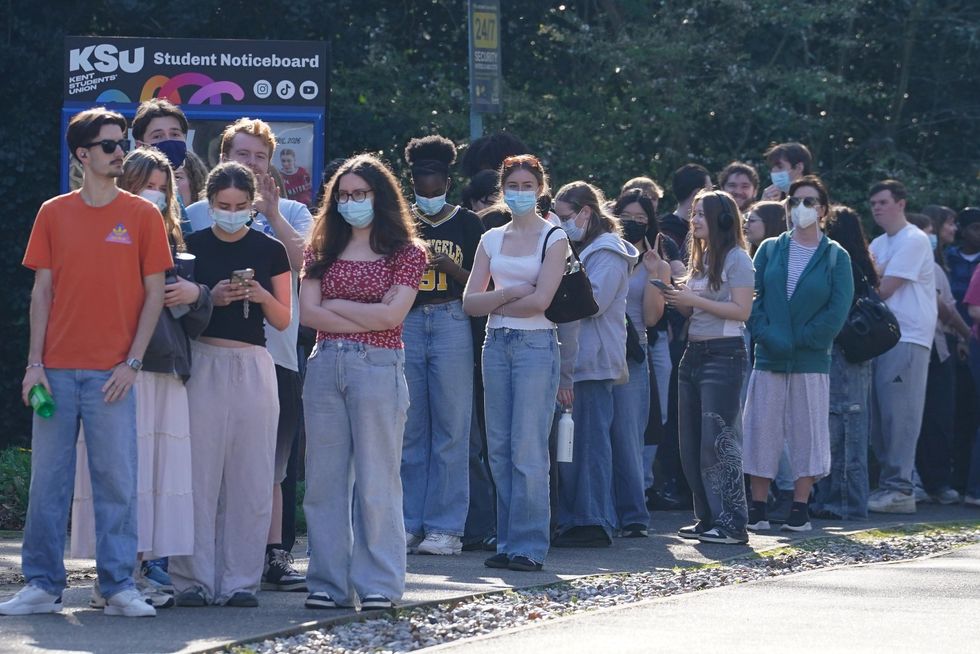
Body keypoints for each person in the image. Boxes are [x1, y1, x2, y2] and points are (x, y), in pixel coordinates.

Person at [2, 108, 172, 618]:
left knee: (117, 483)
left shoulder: (143, 215)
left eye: (121, 142)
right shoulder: (52, 213)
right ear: (82, 154)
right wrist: (34, 365)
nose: (120, 151)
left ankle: (119, 587)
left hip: (113, 376)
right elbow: (42, 291)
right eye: (108, 145)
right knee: (47, 484)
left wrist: (133, 363)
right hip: (54, 374)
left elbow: (156, 295)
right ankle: (42, 585)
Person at [69, 147, 213, 608]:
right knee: (119, 471)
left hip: (165, 366)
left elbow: (189, 320)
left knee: (155, 473)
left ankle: (137, 574)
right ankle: (113, 578)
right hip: (118, 367)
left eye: (162, 186)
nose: (155, 194)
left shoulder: (171, 237)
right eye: (145, 185)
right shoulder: (97, 230)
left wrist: (195, 294)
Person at [186, 118, 312, 590]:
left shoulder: (295, 213)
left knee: (267, 468)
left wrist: (273, 214)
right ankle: (196, 570)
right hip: (205, 354)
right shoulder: (196, 216)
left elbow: (306, 266)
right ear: (223, 158)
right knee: (202, 469)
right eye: (243, 154)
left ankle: (270, 556)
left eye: (260, 156)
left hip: (272, 355)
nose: (252, 164)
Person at [299, 154, 426, 609]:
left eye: (361, 194)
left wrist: (335, 305)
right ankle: (327, 584)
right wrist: (364, 312)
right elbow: (309, 314)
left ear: (381, 197)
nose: (351, 202)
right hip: (324, 365)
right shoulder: (320, 249)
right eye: (344, 195)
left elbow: (393, 316)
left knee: (377, 481)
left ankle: (379, 585)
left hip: (379, 365)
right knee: (323, 483)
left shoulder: (408, 252)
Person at [169, 162, 292, 608]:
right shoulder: (191, 245)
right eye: (224, 206)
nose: (233, 213)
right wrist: (210, 296)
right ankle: (192, 580)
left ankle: (241, 580)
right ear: (209, 202)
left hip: (253, 363)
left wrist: (259, 295)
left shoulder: (270, 249)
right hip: (203, 361)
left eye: (241, 207)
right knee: (198, 475)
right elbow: (175, 310)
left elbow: (284, 318)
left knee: (252, 475)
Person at [462, 154, 568, 572]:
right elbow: (470, 303)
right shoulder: (490, 238)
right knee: (501, 449)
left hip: (536, 345)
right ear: (502, 190)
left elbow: (542, 302)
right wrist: (508, 296)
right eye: (514, 185)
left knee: (528, 449)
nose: (521, 192)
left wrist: (499, 300)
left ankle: (529, 545)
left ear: (541, 188)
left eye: (529, 185)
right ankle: (507, 541)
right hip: (496, 343)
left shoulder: (553, 237)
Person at [743, 176, 853, 532]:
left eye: (809, 201)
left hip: (810, 358)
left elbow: (837, 310)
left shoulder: (837, 256)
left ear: (823, 209)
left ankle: (800, 506)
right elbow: (753, 298)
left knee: (809, 429)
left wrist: (804, 338)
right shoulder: (770, 249)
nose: (800, 208)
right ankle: (758, 505)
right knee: (762, 427)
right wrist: (767, 335)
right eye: (795, 201)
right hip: (770, 354)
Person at [400, 135, 485, 556]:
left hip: (452, 317)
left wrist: (451, 267)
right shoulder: (400, 221)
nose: (427, 187)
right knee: (411, 428)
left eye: (434, 178)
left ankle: (446, 528)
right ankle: (408, 522)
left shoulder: (468, 223)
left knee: (452, 428)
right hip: (409, 319)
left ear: (447, 179)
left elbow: (484, 285)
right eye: (420, 178)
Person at [657, 191, 753, 544]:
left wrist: (692, 299)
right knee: (692, 440)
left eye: (701, 214)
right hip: (694, 353)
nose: (693, 220)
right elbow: (690, 311)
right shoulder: (702, 259)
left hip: (724, 354)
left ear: (722, 220)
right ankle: (708, 517)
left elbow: (741, 311)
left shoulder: (737, 258)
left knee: (720, 439)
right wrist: (667, 287)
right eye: (693, 212)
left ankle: (732, 523)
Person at [550, 182, 639, 547]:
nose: (561, 224)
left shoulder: (608, 252)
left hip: (594, 363)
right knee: (572, 448)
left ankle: (592, 521)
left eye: (565, 217)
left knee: (589, 447)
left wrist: (547, 290)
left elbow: (592, 302)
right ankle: (575, 519)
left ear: (586, 212)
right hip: (577, 361)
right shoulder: (584, 247)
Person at [867, 180, 937, 513]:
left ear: (901, 203)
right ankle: (891, 486)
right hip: (880, 339)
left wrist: (871, 279)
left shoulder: (914, 239)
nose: (877, 208)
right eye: (873, 204)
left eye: (883, 202)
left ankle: (901, 489)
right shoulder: (879, 242)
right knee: (880, 419)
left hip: (907, 336)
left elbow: (883, 288)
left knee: (900, 416)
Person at [811, 206, 879, 520]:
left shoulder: (843, 263)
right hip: (855, 352)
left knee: (844, 423)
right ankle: (838, 499)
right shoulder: (860, 263)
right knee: (844, 424)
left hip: (844, 351)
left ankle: (844, 502)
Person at [609, 190, 670, 537]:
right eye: (626, 218)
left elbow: (650, 317)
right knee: (599, 434)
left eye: (641, 220)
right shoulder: (604, 251)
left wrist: (653, 273)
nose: (632, 224)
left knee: (629, 436)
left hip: (633, 353)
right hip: (601, 350)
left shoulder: (656, 262)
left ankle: (633, 514)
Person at [907, 213, 970, 504]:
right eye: (929, 230)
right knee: (929, 417)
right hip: (928, 343)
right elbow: (943, 307)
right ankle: (930, 481)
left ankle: (934, 480)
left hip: (940, 345)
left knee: (939, 417)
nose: (933, 237)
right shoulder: (923, 265)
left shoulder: (937, 265)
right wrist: (967, 332)